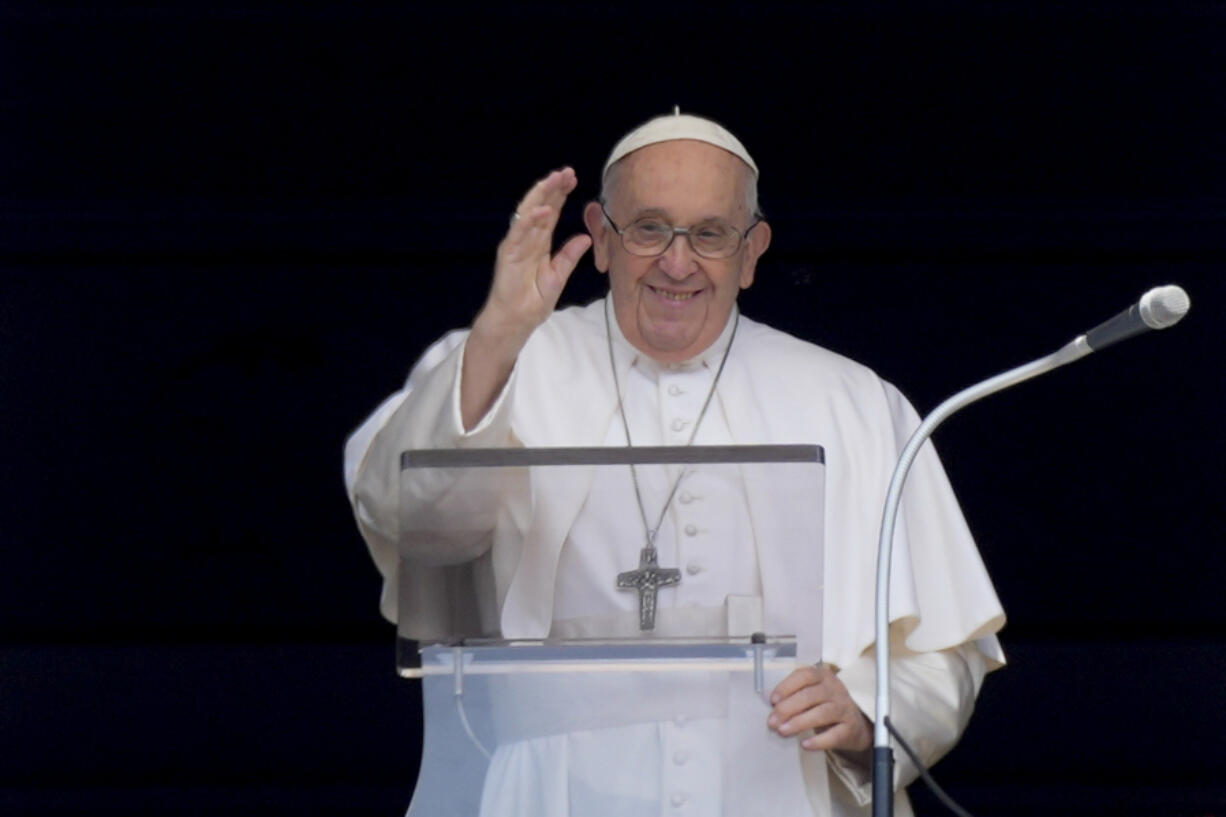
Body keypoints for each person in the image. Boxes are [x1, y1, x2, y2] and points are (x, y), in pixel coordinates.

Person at [344, 112, 1006, 816]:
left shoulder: (852, 401)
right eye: (649, 228)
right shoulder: (499, 364)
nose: (677, 262)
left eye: (711, 234)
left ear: (752, 252)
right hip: (549, 795)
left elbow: (944, 646)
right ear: (599, 237)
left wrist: (871, 710)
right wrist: (501, 330)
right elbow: (411, 517)